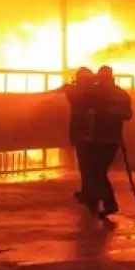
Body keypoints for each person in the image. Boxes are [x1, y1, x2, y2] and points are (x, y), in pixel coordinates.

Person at [87, 65, 133, 219]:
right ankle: (99, 200)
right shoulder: (121, 94)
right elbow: (128, 115)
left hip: (102, 139)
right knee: (96, 172)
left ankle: (109, 203)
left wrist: (109, 111)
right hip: (109, 139)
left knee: (97, 173)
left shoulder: (98, 93)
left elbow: (82, 101)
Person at [55, 67, 96, 205]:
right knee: (90, 165)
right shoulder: (96, 92)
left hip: (83, 132)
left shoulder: (76, 92)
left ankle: (89, 193)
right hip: (94, 132)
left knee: (86, 165)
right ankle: (89, 192)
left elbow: (66, 96)